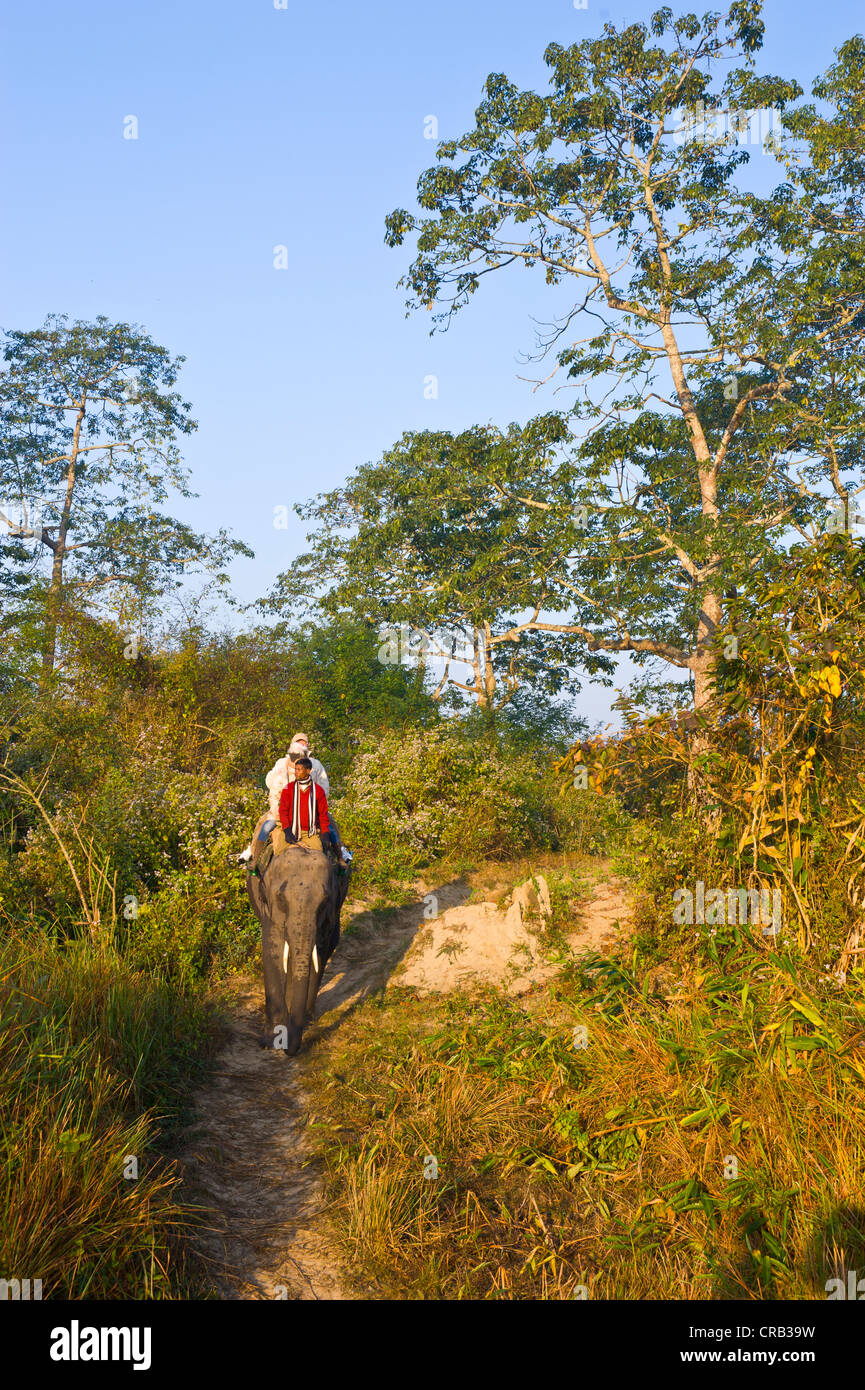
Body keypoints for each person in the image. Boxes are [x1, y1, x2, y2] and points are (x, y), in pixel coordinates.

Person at [278, 755, 335, 851]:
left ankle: (342, 856)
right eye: (295, 769)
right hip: (290, 830)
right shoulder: (288, 788)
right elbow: (283, 812)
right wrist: (287, 831)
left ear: (308, 771)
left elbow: (322, 815)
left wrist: (325, 834)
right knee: (278, 853)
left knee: (319, 855)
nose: (296, 772)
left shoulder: (318, 790)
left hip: (309, 833)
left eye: (299, 770)